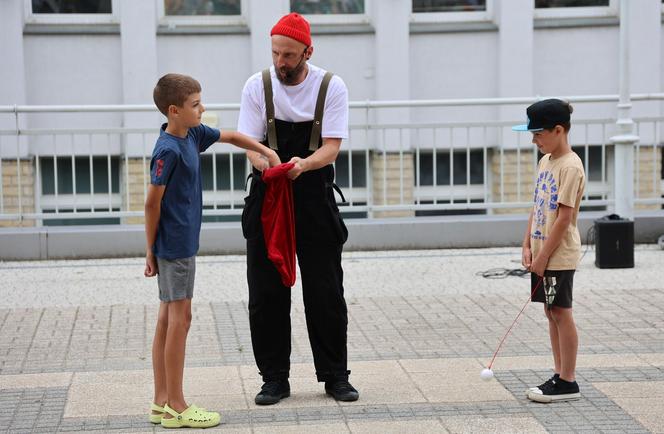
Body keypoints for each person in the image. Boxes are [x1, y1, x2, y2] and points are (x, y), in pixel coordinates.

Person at [238, 12, 359, 405]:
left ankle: (335, 376)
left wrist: (303, 165)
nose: (280, 63)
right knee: (266, 291)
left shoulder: (331, 86)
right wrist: (270, 164)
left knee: (325, 290)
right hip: (269, 195)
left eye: (289, 55)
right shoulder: (257, 85)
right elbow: (251, 145)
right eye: (275, 53)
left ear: (308, 51)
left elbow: (332, 147)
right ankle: (274, 378)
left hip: (313, 194)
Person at [145, 73, 279, 427]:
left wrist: (265, 150)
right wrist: (151, 251)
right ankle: (176, 404)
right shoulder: (167, 150)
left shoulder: (191, 134)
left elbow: (233, 135)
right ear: (174, 110)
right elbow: (151, 204)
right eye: (195, 105)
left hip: (179, 244)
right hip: (175, 246)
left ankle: (161, 401)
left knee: (166, 319)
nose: (202, 109)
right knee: (180, 320)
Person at [514, 98, 585, 403]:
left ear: (559, 130)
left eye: (538, 134)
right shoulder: (545, 162)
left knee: (561, 312)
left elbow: (565, 217)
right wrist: (527, 243)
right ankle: (558, 373)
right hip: (542, 252)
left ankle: (568, 380)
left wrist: (544, 257)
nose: (533, 140)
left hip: (559, 255)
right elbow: (537, 205)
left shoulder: (570, 166)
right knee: (549, 311)